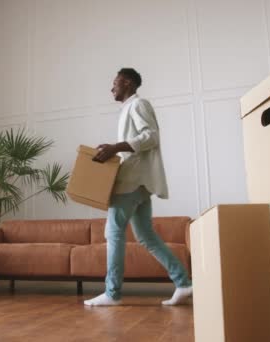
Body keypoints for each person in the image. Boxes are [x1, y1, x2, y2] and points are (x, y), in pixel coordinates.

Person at [84, 68, 193, 306]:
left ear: (128, 82)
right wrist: (114, 149)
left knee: (113, 233)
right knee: (146, 236)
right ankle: (183, 283)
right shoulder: (128, 109)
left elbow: (151, 136)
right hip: (140, 183)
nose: (111, 88)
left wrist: (116, 147)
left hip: (132, 182)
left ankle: (112, 294)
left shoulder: (138, 104)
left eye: (115, 82)